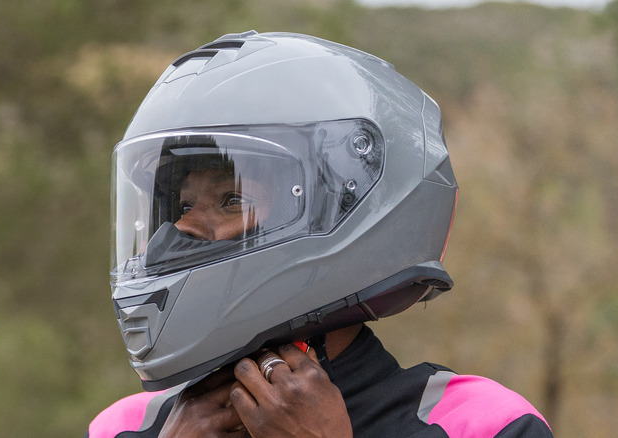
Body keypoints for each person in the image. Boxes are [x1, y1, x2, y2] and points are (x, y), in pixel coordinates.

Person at [87, 31, 553, 437]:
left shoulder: (478, 426)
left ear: (346, 202)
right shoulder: (126, 427)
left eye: (233, 200)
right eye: (184, 205)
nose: (181, 228)